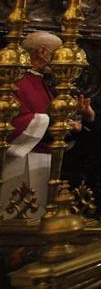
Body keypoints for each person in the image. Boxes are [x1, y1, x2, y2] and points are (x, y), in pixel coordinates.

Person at [3, 31, 93, 214]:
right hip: (20, 161)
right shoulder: (14, 79)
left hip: (42, 158)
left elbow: (45, 115)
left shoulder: (38, 80)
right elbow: (15, 120)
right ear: (43, 52)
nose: (62, 59)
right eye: (59, 53)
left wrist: (80, 117)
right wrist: (60, 124)